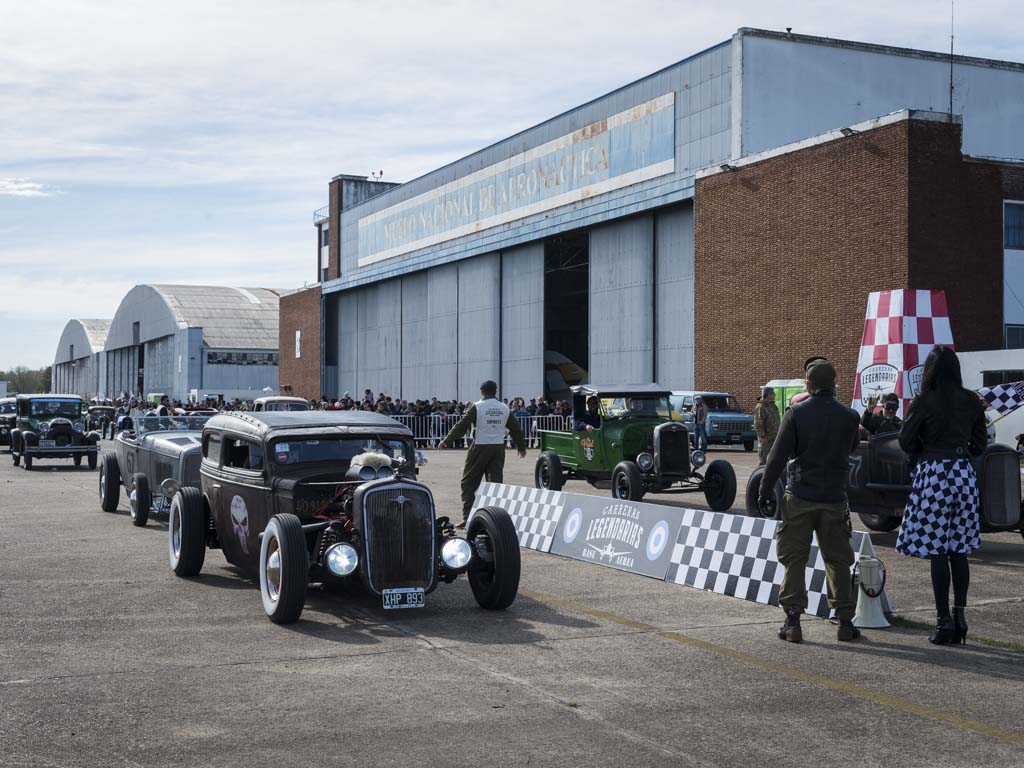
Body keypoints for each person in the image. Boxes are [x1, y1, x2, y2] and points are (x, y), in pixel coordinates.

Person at [759, 356, 861, 643]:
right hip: (834, 498)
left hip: (800, 496)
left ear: (808, 385)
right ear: (834, 385)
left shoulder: (796, 413)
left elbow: (776, 458)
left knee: (794, 559)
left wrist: (764, 491)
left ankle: (793, 623)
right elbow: (852, 446)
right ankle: (844, 622)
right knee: (838, 560)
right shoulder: (850, 416)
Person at [896, 346, 987, 645]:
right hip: (963, 474)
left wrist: (926, 447)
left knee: (937, 549)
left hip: (934, 474)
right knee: (958, 549)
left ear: (930, 370)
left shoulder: (923, 400)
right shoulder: (972, 401)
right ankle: (961, 617)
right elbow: (979, 446)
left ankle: (942, 621)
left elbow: (906, 441)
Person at [438, 380, 527, 527]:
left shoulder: (477, 406)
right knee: (495, 484)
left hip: (479, 447)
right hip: (498, 448)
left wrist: (447, 440)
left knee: (468, 483)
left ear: (481, 391)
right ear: (495, 391)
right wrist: (521, 447)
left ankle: (468, 518)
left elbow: (462, 425)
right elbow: (515, 428)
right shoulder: (504, 408)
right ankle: (497, 519)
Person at [753, 387, 780, 465]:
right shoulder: (761, 407)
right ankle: (761, 475)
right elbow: (758, 423)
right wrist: (763, 437)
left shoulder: (772, 405)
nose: (774, 395)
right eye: (772, 393)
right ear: (767, 395)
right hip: (766, 439)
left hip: (774, 437)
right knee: (763, 460)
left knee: (774, 459)